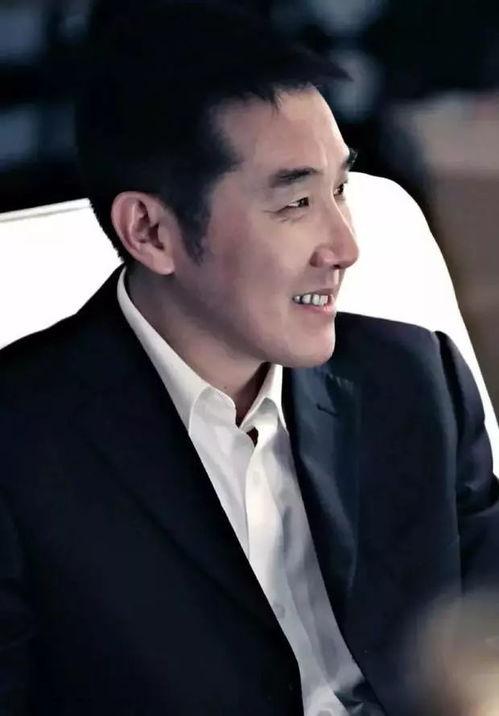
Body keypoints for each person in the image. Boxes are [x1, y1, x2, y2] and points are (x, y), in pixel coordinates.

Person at [0, 2, 497, 714]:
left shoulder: (414, 377)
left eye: (339, 189)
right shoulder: (21, 443)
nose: (345, 247)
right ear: (151, 231)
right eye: (295, 203)